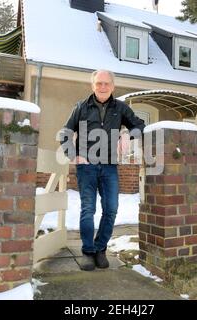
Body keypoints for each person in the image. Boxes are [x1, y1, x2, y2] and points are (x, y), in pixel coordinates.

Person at [59, 70, 145, 271]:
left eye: (106, 83)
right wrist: (73, 155)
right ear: (93, 86)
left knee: (112, 208)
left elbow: (140, 125)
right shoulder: (81, 107)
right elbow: (65, 132)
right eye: (99, 83)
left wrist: (126, 134)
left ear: (113, 86)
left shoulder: (121, 108)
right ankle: (88, 252)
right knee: (88, 209)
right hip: (86, 167)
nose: (103, 87)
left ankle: (100, 249)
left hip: (109, 167)